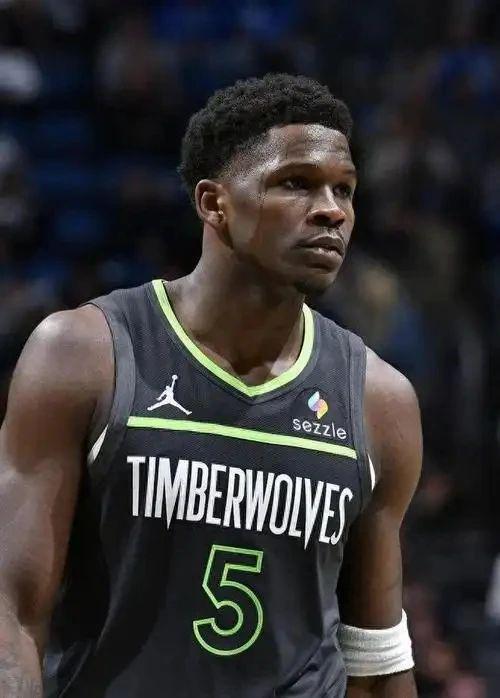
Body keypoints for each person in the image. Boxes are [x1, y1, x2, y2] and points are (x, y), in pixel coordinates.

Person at [0, 73, 422, 697]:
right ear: (213, 203)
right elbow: (11, 613)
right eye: (296, 183)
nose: (332, 210)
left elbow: (377, 657)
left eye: (345, 189)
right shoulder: (83, 355)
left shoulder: (378, 399)